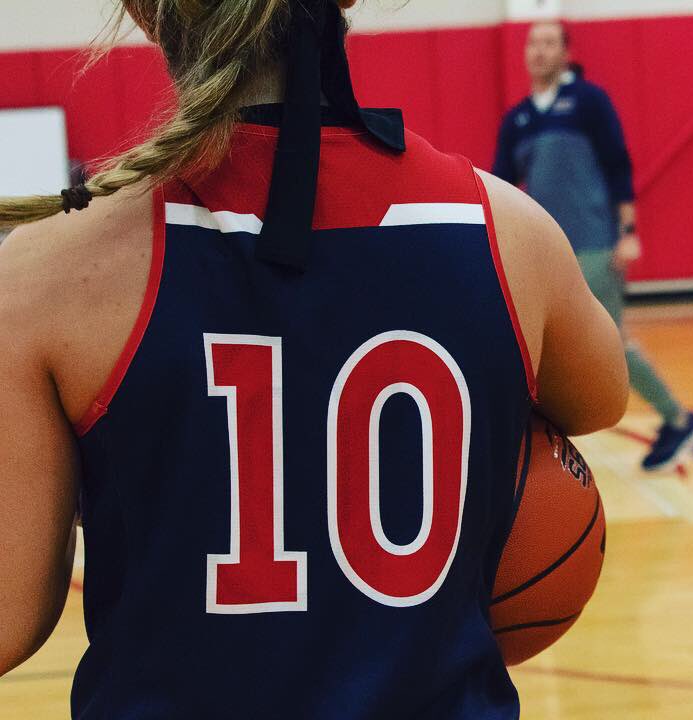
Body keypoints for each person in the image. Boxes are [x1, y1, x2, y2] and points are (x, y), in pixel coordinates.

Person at [0, 1, 628, 718]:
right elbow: (601, 400)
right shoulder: (508, 233)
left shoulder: (46, 272)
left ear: (143, 12)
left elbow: (7, 620)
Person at [492, 20, 693, 471]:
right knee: (539, 346)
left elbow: (617, 163)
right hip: (548, 252)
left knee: (607, 341)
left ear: (566, 54)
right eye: (533, 43)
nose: (539, 51)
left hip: (593, 244)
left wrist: (627, 232)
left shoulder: (588, 102)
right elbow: (502, 186)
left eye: (549, 43)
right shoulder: (519, 119)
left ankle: (677, 418)